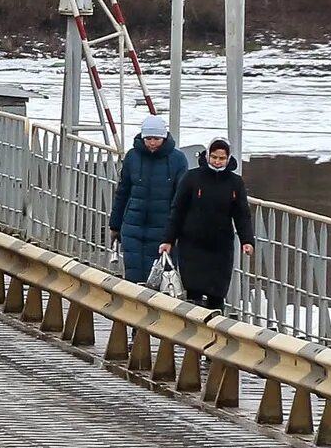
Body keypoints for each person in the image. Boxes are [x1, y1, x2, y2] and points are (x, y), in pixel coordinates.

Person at [167, 138, 255, 311]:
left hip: (220, 246)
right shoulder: (192, 178)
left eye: (221, 158)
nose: (217, 161)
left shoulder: (235, 183)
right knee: (193, 292)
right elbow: (177, 210)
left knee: (217, 292)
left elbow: (242, 214)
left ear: (228, 159)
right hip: (192, 244)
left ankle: (215, 330)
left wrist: (247, 240)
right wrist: (168, 240)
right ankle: (193, 330)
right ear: (207, 156)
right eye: (214, 157)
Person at [106, 115, 187, 285]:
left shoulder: (177, 160)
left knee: (159, 278)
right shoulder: (132, 157)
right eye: (148, 138)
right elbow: (122, 192)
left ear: (164, 138)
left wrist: (177, 231)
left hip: (163, 228)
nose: (152, 143)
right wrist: (115, 225)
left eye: (156, 139)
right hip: (132, 226)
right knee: (133, 275)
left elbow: (181, 199)